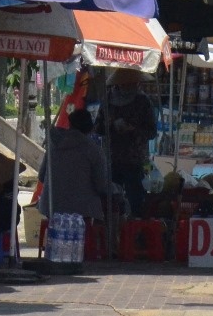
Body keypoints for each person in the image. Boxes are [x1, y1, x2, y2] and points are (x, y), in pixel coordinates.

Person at [100, 69, 158, 218]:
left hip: (135, 160)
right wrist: (111, 126)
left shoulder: (143, 101)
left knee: (136, 200)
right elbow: (98, 127)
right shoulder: (108, 100)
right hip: (112, 158)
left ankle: (135, 226)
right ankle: (114, 228)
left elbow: (152, 132)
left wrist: (134, 130)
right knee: (112, 202)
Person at [42, 107, 112, 225]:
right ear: (90, 129)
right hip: (82, 212)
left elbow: (41, 176)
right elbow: (102, 186)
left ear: (70, 124)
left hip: (52, 208)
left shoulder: (54, 145)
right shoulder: (94, 150)